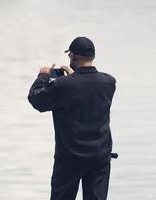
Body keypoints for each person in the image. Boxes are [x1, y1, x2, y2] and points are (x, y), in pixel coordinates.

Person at [27, 36, 116, 200]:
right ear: (93, 56)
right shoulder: (109, 82)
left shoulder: (63, 85)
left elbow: (37, 100)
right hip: (99, 157)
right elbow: (85, 88)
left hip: (70, 158)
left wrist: (43, 76)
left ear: (72, 56)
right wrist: (74, 77)